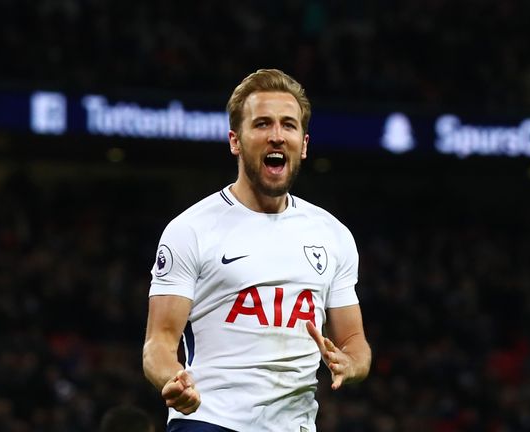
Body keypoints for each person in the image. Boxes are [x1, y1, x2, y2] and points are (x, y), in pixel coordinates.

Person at [142, 68, 371, 432]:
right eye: (262, 124)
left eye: (288, 125)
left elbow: (354, 341)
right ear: (236, 140)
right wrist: (172, 377)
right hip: (209, 420)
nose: (277, 136)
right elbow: (159, 342)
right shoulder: (191, 229)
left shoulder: (333, 235)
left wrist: (352, 364)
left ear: (305, 144)